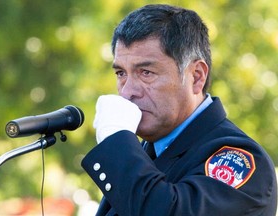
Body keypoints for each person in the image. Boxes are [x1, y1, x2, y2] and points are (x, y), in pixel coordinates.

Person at [81, 4, 277, 216]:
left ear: (196, 76)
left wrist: (117, 141)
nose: (128, 92)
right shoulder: (145, 151)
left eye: (146, 72)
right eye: (121, 73)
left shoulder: (240, 159)